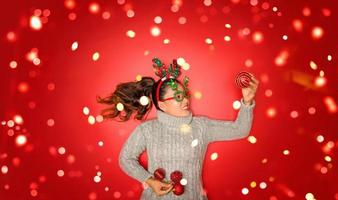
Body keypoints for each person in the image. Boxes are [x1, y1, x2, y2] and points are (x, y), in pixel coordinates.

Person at [97, 58, 259, 199]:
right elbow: (125, 159)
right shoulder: (147, 130)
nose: (186, 100)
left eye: (185, 95)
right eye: (178, 97)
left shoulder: (201, 126)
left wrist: (247, 101)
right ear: (162, 105)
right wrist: (149, 180)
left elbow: (240, 130)